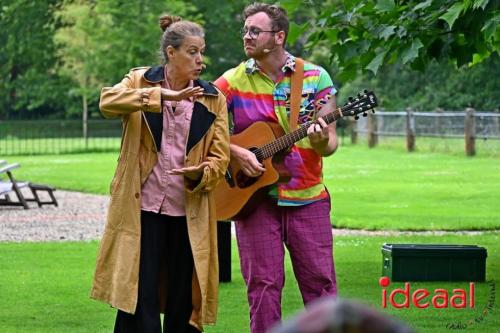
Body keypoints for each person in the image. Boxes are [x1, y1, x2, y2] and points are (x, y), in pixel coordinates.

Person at [90, 15, 230, 333]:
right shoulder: (140, 81)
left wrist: (201, 173)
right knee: (139, 294)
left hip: (188, 211)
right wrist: (162, 97)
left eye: (201, 52)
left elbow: (220, 159)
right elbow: (107, 102)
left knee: (184, 299)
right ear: (171, 52)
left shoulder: (213, 99)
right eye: (192, 52)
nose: (200, 60)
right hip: (142, 210)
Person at [214, 3, 338, 333]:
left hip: (307, 196)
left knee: (321, 287)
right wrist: (236, 152)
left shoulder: (315, 77)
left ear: (279, 36)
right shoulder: (232, 80)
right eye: (245, 30)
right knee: (264, 288)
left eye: (255, 31)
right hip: (253, 200)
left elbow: (330, 145)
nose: (247, 36)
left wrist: (321, 138)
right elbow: (198, 125)